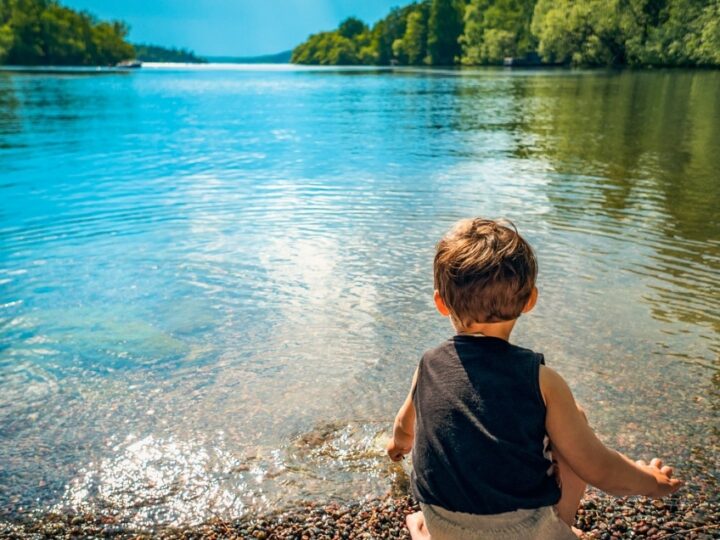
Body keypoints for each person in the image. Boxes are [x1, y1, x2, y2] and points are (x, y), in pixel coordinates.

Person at [386, 218, 682, 540]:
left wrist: (397, 448)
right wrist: (652, 481)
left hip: (445, 525)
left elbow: (404, 429)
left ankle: (424, 529)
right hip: (524, 533)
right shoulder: (543, 381)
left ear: (440, 303)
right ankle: (561, 528)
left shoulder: (428, 365)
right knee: (575, 422)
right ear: (530, 300)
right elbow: (599, 468)